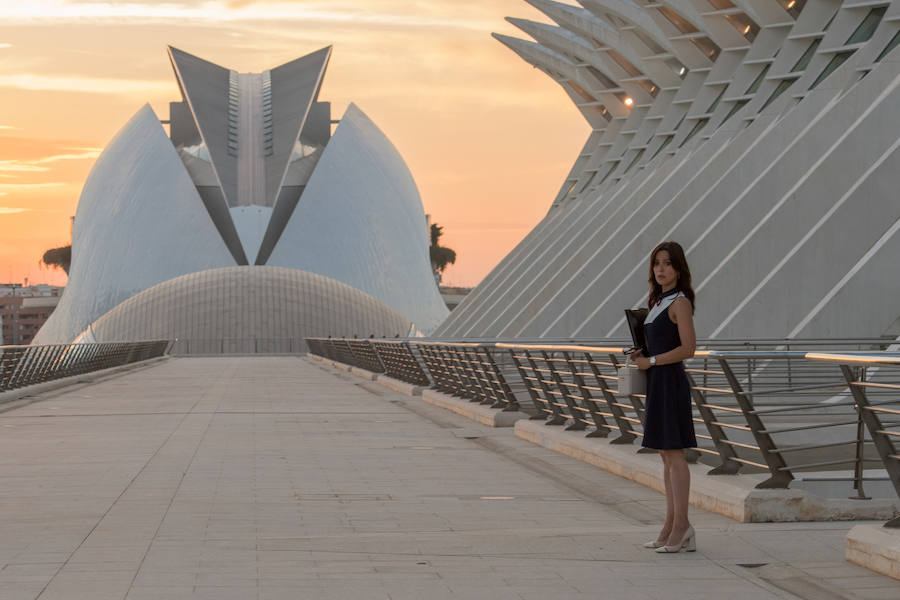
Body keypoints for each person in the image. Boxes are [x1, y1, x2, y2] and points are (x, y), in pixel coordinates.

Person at [630, 241, 697, 553]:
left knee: (675, 454)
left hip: (670, 382)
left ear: (678, 268)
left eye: (667, 263)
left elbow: (688, 349)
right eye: (657, 263)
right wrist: (644, 354)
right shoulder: (658, 301)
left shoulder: (680, 302)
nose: (660, 269)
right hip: (658, 381)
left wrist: (653, 362)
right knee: (665, 455)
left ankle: (681, 525)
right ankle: (671, 524)